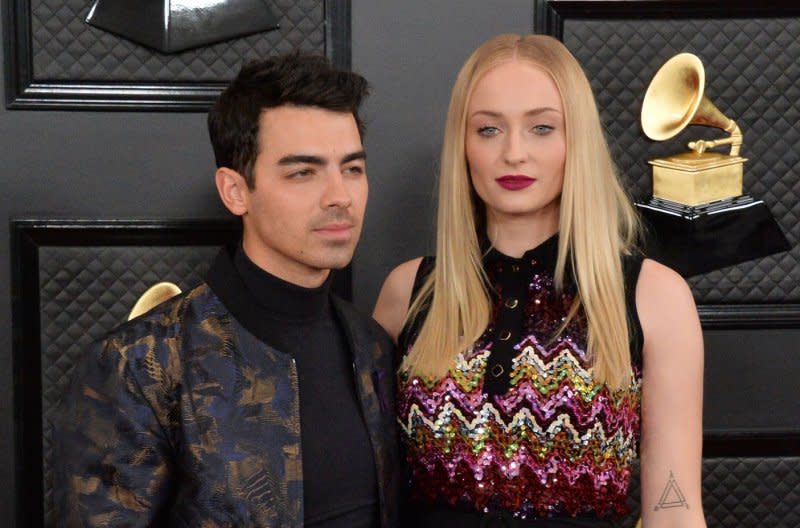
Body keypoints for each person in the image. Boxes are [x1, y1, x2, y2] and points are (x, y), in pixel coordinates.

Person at [54, 52, 399, 527]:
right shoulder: (140, 366)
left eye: (353, 169)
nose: (339, 195)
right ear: (235, 190)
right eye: (303, 172)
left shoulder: (374, 347)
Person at [373, 34, 706, 527]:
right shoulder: (410, 291)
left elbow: (674, 513)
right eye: (488, 130)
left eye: (542, 128)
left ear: (577, 141)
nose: (513, 153)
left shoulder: (654, 296)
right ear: (462, 145)